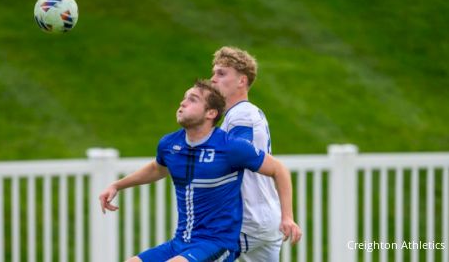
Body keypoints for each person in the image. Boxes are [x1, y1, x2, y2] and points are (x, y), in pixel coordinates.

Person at [99, 80, 300, 262]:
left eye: (192, 99)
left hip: (218, 244)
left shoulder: (230, 147)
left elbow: (279, 169)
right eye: (184, 98)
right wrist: (117, 185)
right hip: (180, 242)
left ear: (211, 113)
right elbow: (156, 169)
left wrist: (287, 217)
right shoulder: (170, 144)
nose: (183, 103)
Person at [211, 46, 301, 261]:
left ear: (242, 81)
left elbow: (232, 156)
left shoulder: (242, 115)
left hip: (248, 220)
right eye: (214, 72)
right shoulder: (242, 113)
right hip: (264, 217)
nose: (213, 79)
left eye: (221, 73)